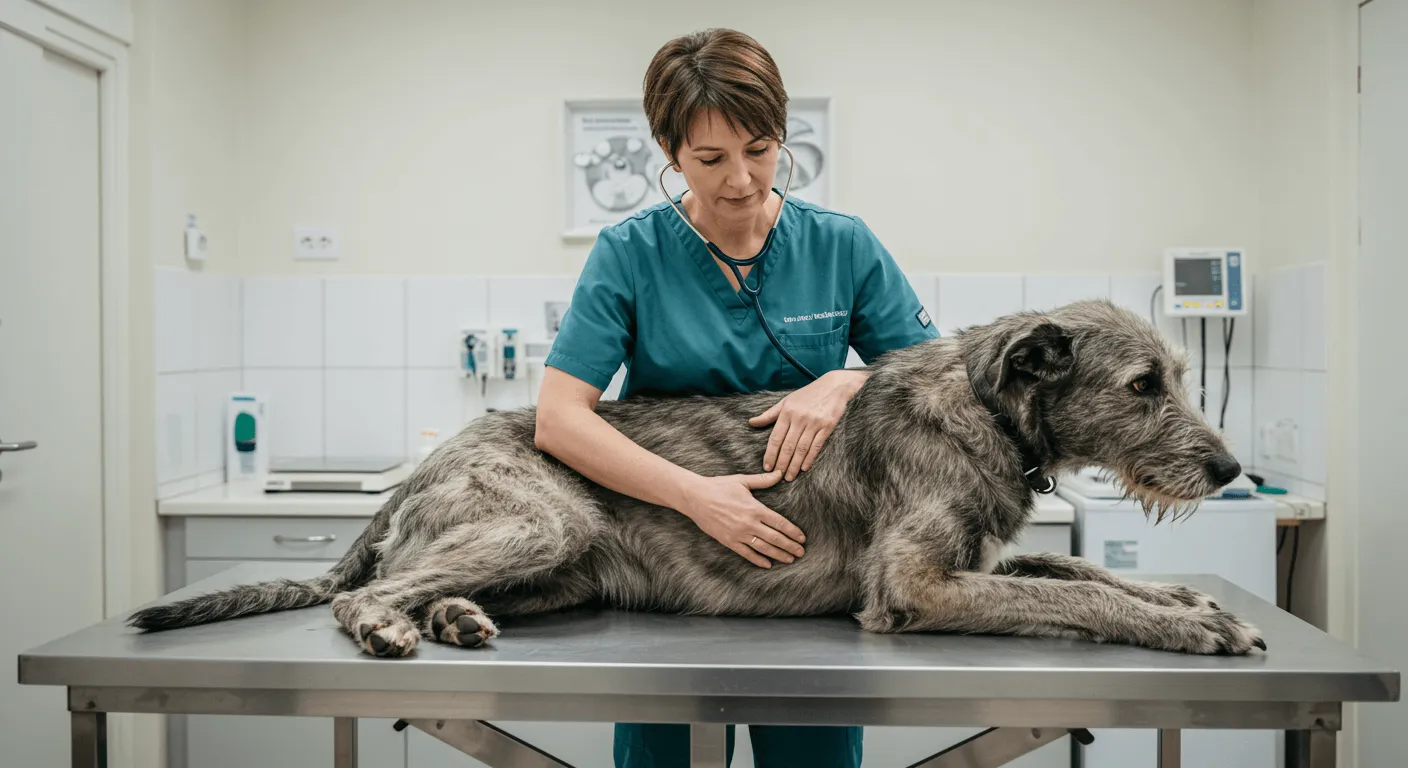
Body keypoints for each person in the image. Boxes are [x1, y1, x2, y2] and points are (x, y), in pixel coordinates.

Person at [536, 27, 938, 768]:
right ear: (668, 152)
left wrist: (848, 380)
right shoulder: (631, 254)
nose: (741, 180)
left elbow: (934, 384)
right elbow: (559, 420)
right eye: (710, 159)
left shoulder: (842, 245)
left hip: (811, 567)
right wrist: (697, 496)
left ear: (782, 135)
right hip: (666, 563)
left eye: (759, 150)